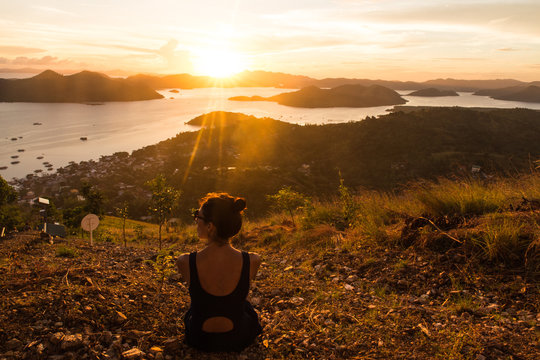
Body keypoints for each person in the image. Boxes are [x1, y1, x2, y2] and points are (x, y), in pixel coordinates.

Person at [176, 193, 263, 352]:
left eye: (198, 216)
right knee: (245, 305)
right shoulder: (253, 260)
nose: (195, 221)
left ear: (210, 226)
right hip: (239, 337)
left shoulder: (185, 262)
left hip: (199, 338)